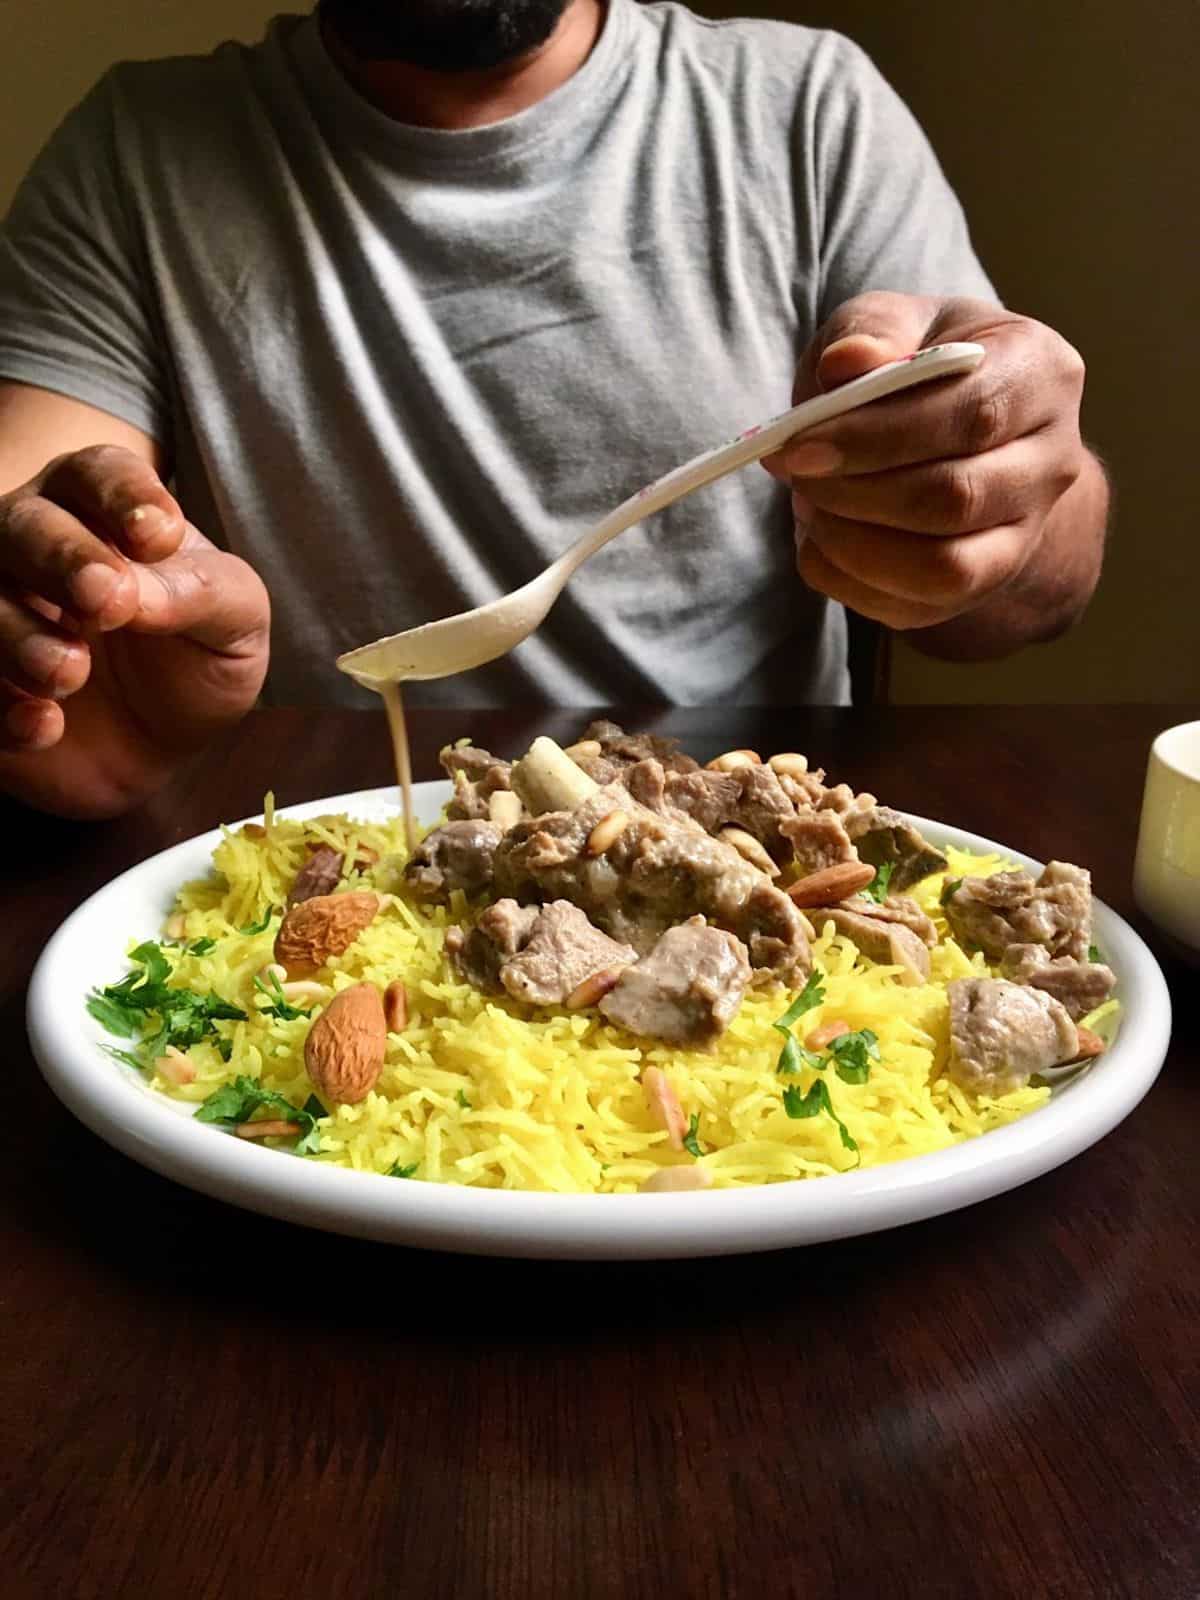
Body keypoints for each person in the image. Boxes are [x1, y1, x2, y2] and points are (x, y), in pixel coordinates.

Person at [0, 0, 1107, 819]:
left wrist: (987, 510)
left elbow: (1036, 580)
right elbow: (42, 526)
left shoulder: (806, 106)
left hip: (752, 845)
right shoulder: (136, 151)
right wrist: (85, 673)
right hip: (326, 855)